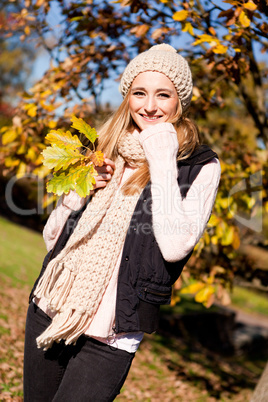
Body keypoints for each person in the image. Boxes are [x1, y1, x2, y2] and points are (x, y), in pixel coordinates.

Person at [23, 43, 221, 401]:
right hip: (51, 307)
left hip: (114, 332)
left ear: (180, 101)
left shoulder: (200, 165)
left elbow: (176, 247)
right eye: (139, 93)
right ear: (127, 95)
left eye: (163, 94)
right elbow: (52, 239)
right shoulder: (100, 148)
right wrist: (79, 193)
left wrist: (161, 154)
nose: (149, 105)